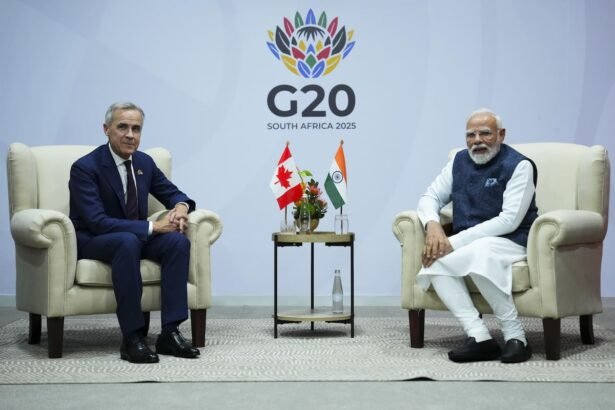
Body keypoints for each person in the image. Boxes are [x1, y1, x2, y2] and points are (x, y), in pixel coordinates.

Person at [69, 102, 200, 363]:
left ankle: (170, 332)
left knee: (176, 242)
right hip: (94, 239)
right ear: (106, 129)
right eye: (123, 127)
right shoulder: (85, 167)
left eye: (136, 129)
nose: (130, 135)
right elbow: (97, 222)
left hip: (133, 237)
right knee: (128, 241)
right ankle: (132, 337)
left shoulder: (143, 162)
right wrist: (154, 227)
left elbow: (174, 193)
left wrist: (181, 207)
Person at [416, 108, 538, 363]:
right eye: (471, 135)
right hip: (471, 242)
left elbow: (509, 220)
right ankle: (479, 336)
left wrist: (454, 242)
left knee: (480, 252)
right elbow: (430, 197)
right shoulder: (458, 161)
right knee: (434, 260)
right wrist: (433, 224)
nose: (477, 140)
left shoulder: (519, 165)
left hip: (513, 240)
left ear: (501, 135)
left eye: (485, 133)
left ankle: (516, 337)